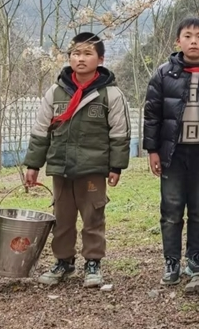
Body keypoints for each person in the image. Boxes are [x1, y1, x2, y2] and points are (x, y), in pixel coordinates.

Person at [25, 32, 131, 288]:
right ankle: (63, 261)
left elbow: (120, 132)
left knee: (93, 217)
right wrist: (33, 164)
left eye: (87, 53)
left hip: (93, 169)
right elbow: (41, 130)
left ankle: (93, 263)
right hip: (60, 167)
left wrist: (116, 166)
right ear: (69, 58)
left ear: (101, 59)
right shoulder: (56, 92)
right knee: (62, 218)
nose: (81, 59)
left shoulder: (110, 94)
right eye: (76, 53)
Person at [143, 17, 199, 285]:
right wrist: (152, 150)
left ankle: (195, 259)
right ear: (178, 41)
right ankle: (171, 261)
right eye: (188, 36)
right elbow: (152, 115)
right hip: (173, 153)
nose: (194, 41)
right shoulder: (164, 73)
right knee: (170, 209)